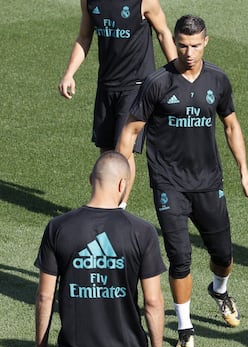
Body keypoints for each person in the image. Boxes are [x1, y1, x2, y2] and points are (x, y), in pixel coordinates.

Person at [116, 14, 248, 347]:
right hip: (168, 184)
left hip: (209, 182)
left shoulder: (218, 80)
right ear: (174, 43)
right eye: (182, 45)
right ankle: (184, 326)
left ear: (206, 42)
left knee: (223, 255)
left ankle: (219, 290)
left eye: (194, 45)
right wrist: (119, 191)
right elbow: (130, 133)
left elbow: (231, 125)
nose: (188, 51)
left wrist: (244, 171)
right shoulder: (157, 83)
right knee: (179, 258)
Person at [34, 151, 167, 347]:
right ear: (122, 185)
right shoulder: (142, 232)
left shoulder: (58, 228)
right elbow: (153, 302)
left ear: (90, 179)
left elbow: (45, 297)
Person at [58, 0, 177, 209]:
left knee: (124, 149)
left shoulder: (143, 1)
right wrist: (69, 73)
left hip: (137, 85)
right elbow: (84, 37)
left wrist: (177, 75)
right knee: (106, 150)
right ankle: (106, 203)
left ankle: (119, 208)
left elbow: (163, 33)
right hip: (106, 84)